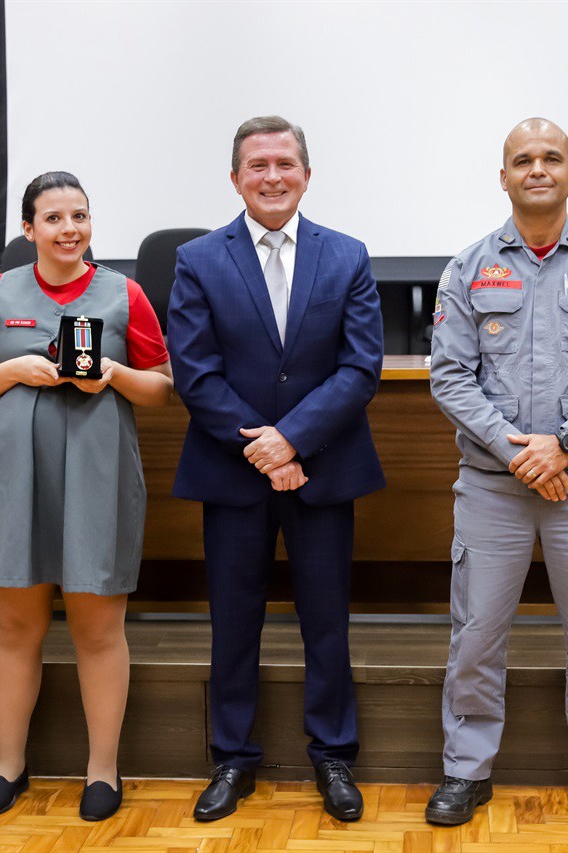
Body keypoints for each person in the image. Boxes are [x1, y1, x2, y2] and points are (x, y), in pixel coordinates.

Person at [426, 118, 568, 828]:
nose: (538, 169)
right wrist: (519, 451)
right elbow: (450, 377)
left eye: (552, 157)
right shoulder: (468, 268)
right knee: (476, 632)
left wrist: (566, 443)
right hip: (492, 486)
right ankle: (465, 770)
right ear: (504, 177)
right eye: (523, 159)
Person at [167, 116, 384, 823]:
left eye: (285, 163)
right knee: (234, 623)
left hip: (324, 468)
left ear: (306, 175)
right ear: (236, 179)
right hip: (232, 475)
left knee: (327, 621)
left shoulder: (347, 255)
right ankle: (232, 757)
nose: (272, 176)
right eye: (257, 165)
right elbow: (195, 373)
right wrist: (263, 450)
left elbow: (360, 367)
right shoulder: (199, 259)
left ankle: (334, 755)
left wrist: (291, 441)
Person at [0, 172, 172, 822]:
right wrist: (13, 369)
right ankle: (8, 765)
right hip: (15, 476)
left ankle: (102, 770)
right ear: (28, 228)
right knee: (17, 626)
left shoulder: (125, 293)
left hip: (98, 474)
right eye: (53, 218)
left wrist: (115, 373)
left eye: (80, 215)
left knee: (97, 628)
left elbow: (162, 388)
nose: (69, 229)